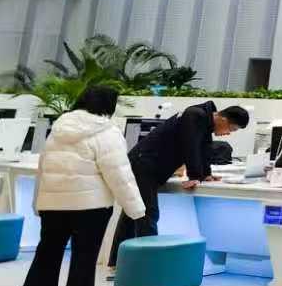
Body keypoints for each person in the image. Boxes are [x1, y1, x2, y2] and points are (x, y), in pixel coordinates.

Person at [15, 86, 147, 286]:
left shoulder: (58, 129)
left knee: (46, 254)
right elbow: (119, 174)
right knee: (84, 256)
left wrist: (38, 203)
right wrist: (136, 209)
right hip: (90, 206)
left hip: (53, 204)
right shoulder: (107, 132)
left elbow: (43, 168)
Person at [107, 98, 249, 268]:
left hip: (149, 165)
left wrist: (205, 175)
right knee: (147, 213)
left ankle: (117, 262)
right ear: (223, 119)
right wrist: (194, 175)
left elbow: (203, 148)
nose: (228, 134)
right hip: (143, 163)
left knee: (134, 212)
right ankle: (148, 265)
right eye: (231, 129)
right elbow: (190, 145)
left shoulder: (204, 121)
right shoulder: (194, 115)